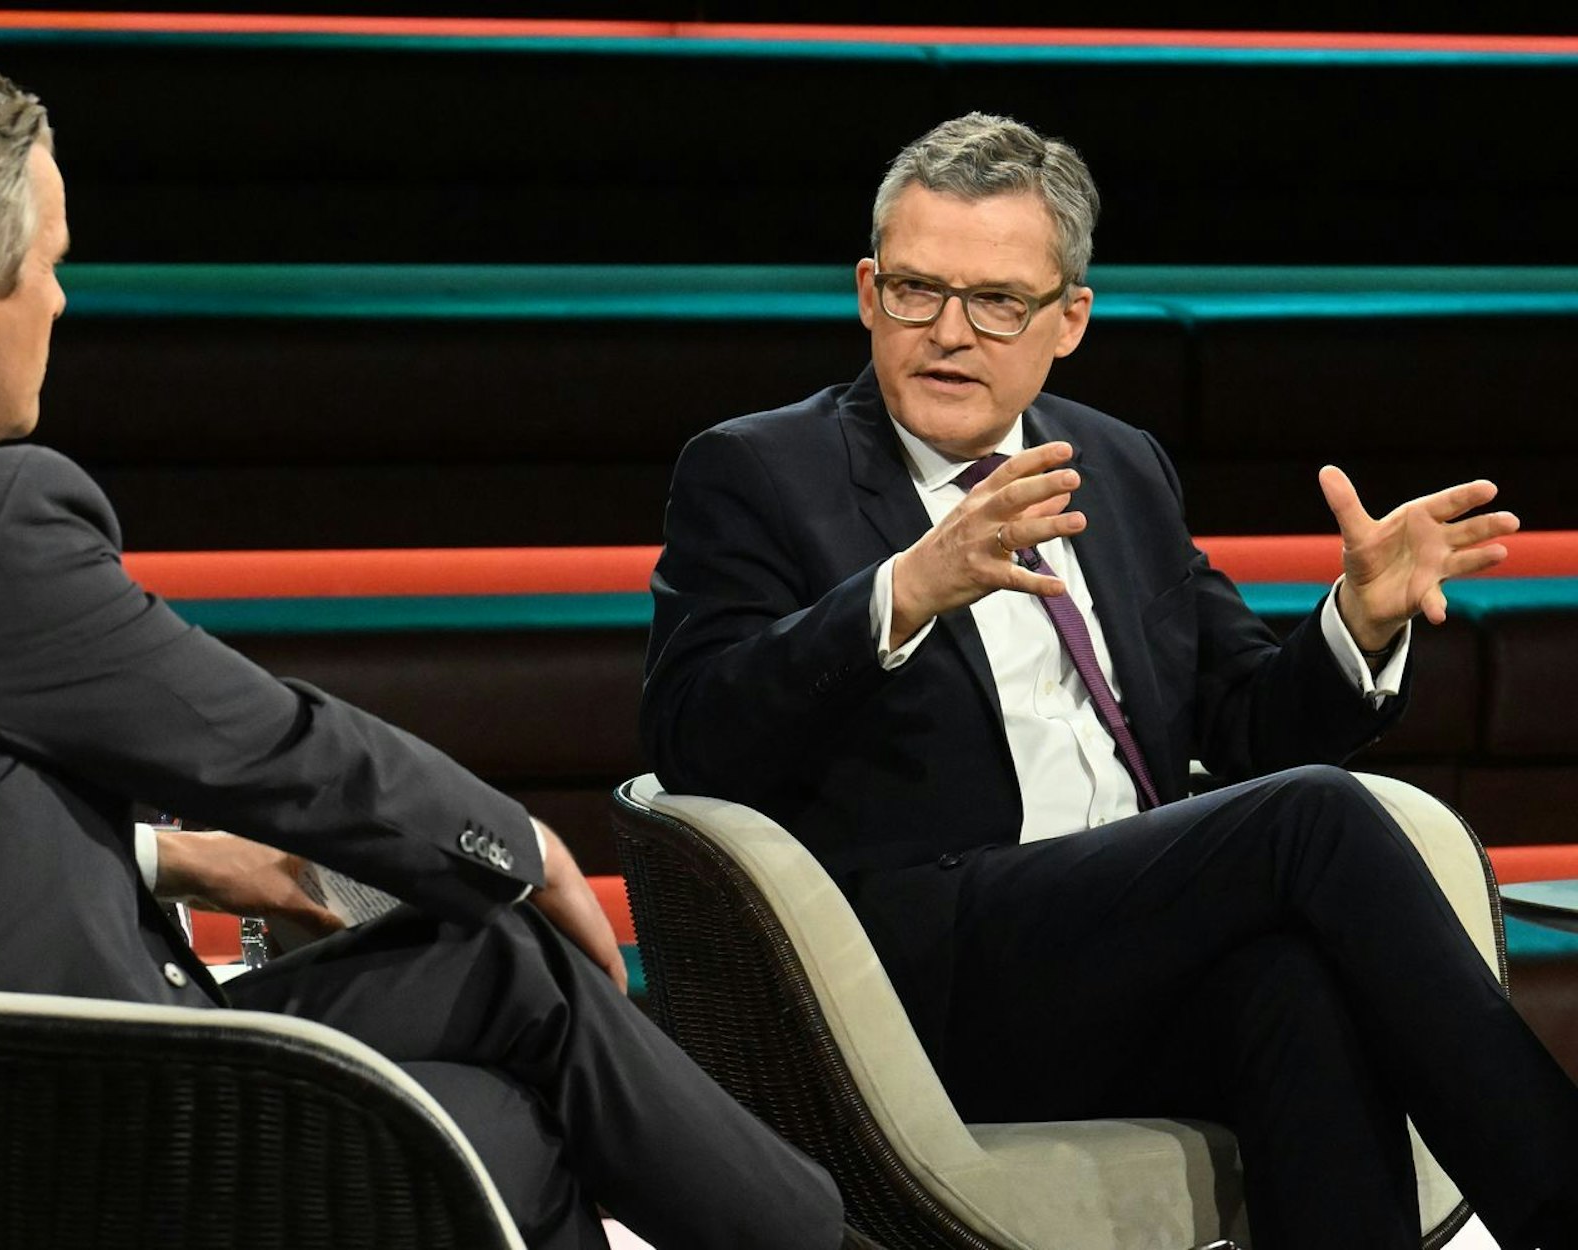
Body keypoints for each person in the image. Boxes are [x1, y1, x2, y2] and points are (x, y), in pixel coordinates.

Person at [0, 58, 860, 1250]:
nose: (65, 302)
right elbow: (274, 746)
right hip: (51, 1144)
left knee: (500, 981)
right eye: (55, 267)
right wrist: (519, 846)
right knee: (510, 1062)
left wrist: (158, 849)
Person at [640, 112, 1578, 1249]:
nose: (947, 333)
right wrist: (901, 591)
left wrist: (1355, 625)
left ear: (1067, 317)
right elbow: (693, 738)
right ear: (864, 291)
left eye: (995, 301)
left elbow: (1246, 725)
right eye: (914, 290)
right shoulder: (756, 470)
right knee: (1317, 816)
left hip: (1117, 951)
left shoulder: (1116, 464)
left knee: (1291, 991)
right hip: (913, 976)